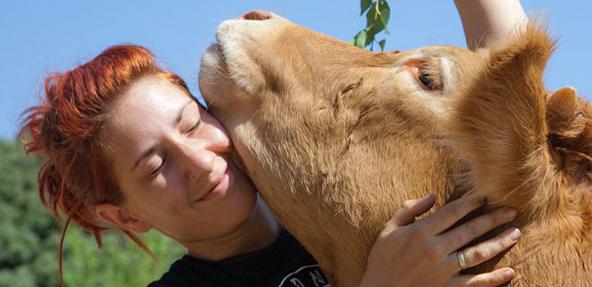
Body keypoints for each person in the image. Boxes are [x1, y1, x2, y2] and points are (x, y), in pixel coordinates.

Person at [20, 1, 528, 286]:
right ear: (124, 217)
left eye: (192, 123)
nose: (200, 161)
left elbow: (515, 93)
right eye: (157, 167)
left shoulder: (330, 185)